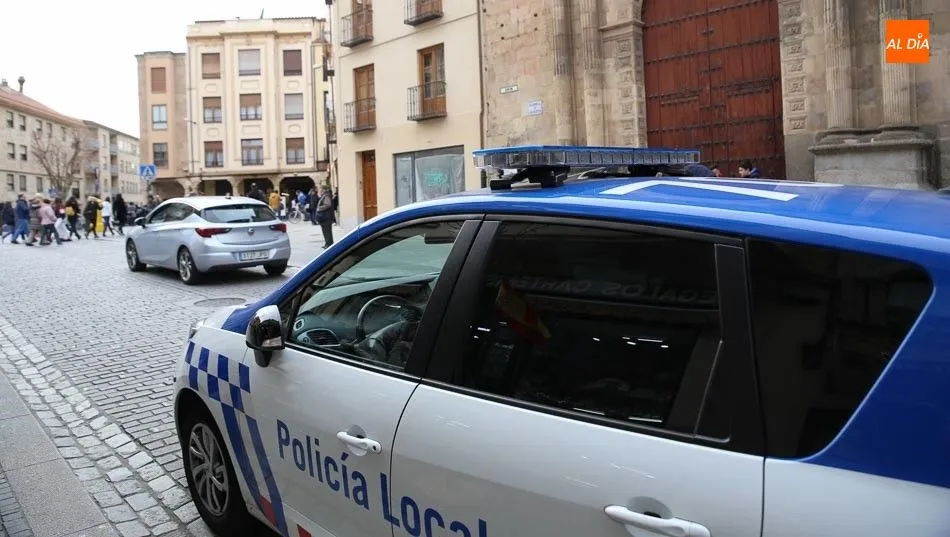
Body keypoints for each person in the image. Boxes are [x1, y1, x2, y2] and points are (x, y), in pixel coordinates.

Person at [315, 184, 335, 249]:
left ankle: (329, 244)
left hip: (326, 217)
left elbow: (328, 204)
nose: (319, 191)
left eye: (320, 189)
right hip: (324, 218)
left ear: (323, 190)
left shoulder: (326, 196)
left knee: (327, 232)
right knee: (325, 231)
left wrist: (319, 208)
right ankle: (327, 243)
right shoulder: (324, 196)